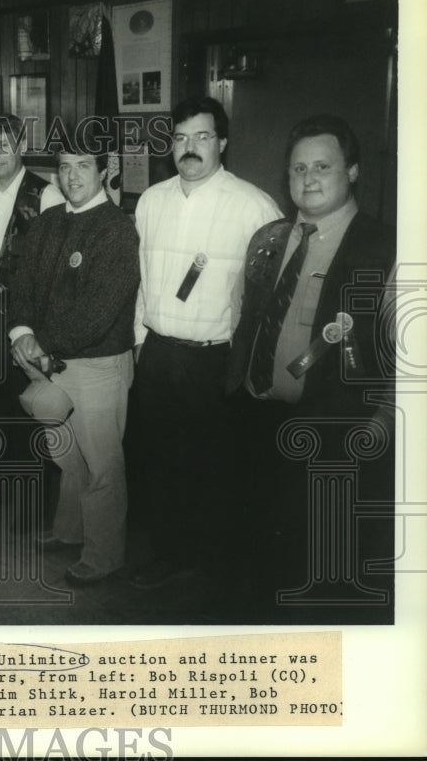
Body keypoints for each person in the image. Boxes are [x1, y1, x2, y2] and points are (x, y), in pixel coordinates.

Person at [226, 114, 395, 611]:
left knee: (320, 569)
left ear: (355, 171)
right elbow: (244, 314)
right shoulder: (269, 237)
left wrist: (382, 422)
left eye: (322, 166)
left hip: (335, 434)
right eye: (298, 169)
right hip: (256, 422)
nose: (308, 178)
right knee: (256, 556)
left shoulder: (386, 248)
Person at [131, 96, 283, 589]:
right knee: (159, 462)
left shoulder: (255, 206)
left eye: (201, 137)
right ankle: (166, 554)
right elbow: (141, 280)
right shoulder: (151, 201)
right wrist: (139, 343)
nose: (189, 148)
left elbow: (269, 299)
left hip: (214, 360)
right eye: (179, 138)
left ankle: (211, 567)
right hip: (156, 354)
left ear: (222, 142)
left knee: (212, 467)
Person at [8, 139, 140, 587]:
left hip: (98, 362)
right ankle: (69, 531)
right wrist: (21, 331)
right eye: (65, 167)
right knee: (65, 454)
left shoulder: (116, 229)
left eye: (84, 166)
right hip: (47, 356)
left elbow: (99, 311)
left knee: (102, 464)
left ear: (104, 170)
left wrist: (41, 343)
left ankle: (104, 556)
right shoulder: (48, 220)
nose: (73, 176)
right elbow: (21, 280)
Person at [0, 113, 65, 482]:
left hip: (22, 322)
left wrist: (42, 334)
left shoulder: (47, 194)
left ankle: (28, 504)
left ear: (21, 145)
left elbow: (56, 273)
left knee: (26, 414)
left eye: (4, 145)